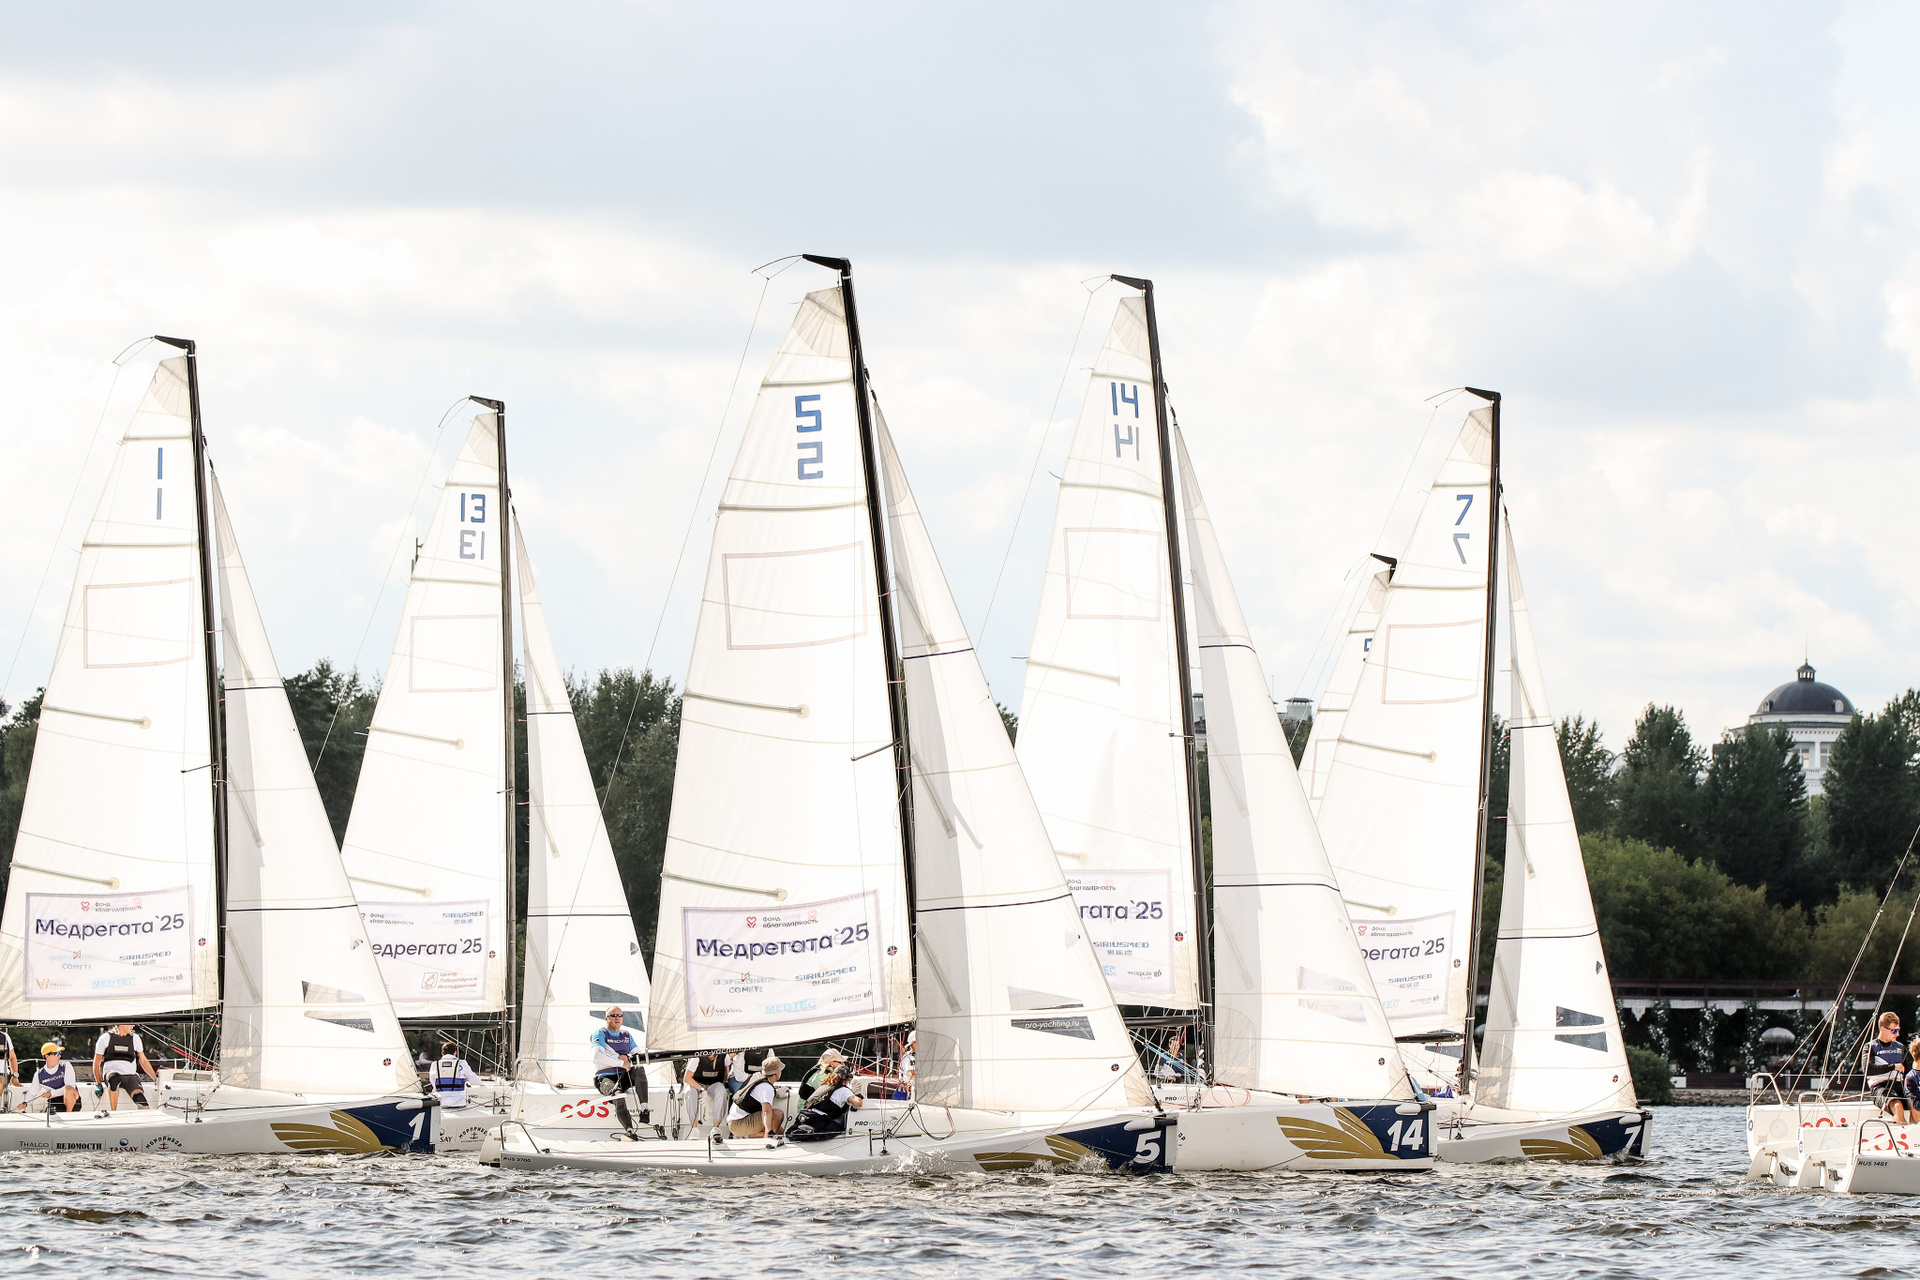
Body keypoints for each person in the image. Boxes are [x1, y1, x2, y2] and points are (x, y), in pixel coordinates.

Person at [589, 1008, 650, 1116]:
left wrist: (627, 1057)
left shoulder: (625, 1034)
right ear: (606, 1018)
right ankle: (629, 1127)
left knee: (639, 1069)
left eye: (620, 1015)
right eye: (613, 1015)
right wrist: (621, 1062)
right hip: (606, 1077)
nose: (617, 1018)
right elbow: (597, 1056)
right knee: (618, 1096)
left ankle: (644, 1109)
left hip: (623, 1076)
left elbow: (637, 1054)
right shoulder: (600, 1033)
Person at [788, 1066, 864, 1141]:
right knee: (842, 1122)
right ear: (846, 1080)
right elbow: (858, 1103)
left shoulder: (826, 1086)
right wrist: (856, 1094)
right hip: (821, 1120)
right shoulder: (844, 1090)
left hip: (808, 1116)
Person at [93, 1022, 156, 1111]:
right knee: (114, 1079)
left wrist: (156, 1079)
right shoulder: (105, 1038)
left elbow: (143, 1061)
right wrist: (98, 1084)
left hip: (130, 1076)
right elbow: (96, 1063)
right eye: (131, 1023)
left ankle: (146, 1115)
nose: (133, 1026)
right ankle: (113, 1112)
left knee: (139, 1098)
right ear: (122, 1024)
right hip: (112, 1074)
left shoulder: (135, 1038)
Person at [726, 1054, 785, 1139]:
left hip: (735, 1121)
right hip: (738, 1123)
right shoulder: (766, 1087)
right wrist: (769, 1132)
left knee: (780, 1131)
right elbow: (766, 1112)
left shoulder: (758, 1077)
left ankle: (753, 1136)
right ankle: (768, 1140)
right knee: (778, 1114)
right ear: (777, 1073)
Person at [1867, 1011, 1911, 1121]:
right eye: (1894, 1031)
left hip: (1899, 1085)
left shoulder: (1900, 1047)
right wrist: (1893, 1067)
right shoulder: (1871, 1047)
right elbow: (1868, 1070)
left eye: (1898, 1030)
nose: (1897, 1034)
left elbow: (1908, 1072)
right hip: (1881, 1087)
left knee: (1916, 1105)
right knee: (1898, 1107)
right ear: (1883, 1029)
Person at [682, 1051, 730, 1141]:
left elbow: (725, 1074)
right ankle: (694, 1128)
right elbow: (687, 1078)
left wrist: (718, 1089)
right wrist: (702, 1090)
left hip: (714, 1083)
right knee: (690, 1092)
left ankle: (716, 1128)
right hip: (696, 1083)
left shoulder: (724, 1056)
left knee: (722, 1091)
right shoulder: (697, 1057)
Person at [18, 1044, 79, 1114]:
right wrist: (25, 1103)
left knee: (69, 1090)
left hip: (73, 1102)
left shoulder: (66, 1066)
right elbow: (32, 1093)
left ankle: (68, 1115)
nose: (60, 1056)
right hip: (55, 1102)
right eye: (57, 1053)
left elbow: (70, 1086)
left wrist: (51, 1093)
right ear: (47, 1056)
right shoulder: (39, 1075)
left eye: (59, 1053)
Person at [432, 1042, 478, 1107]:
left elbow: (433, 1081)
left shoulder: (435, 1065)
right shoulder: (462, 1063)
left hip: (440, 1103)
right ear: (455, 1052)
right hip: (458, 1103)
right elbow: (474, 1080)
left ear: (442, 1053)